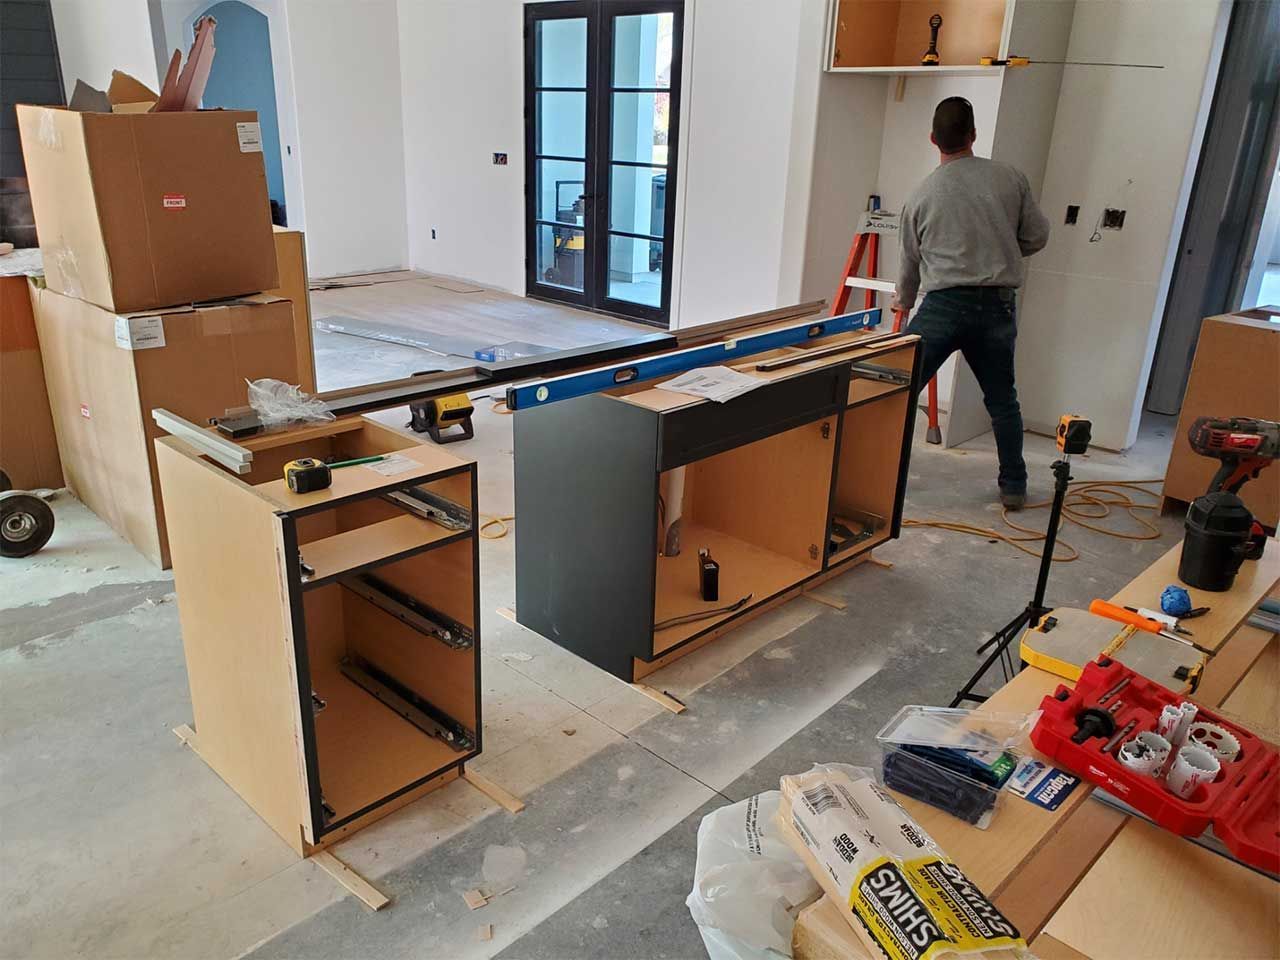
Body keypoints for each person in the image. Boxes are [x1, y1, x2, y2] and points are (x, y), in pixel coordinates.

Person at [892, 96, 1050, 510]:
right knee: (1002, 400)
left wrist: (903, 303)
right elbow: (1036, 236)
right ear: (974, 135)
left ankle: (884, 480)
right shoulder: (1010, 178)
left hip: (943, 306)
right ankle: (1014, 486)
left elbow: (910, 258)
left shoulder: (921, 195)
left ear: (932, 139)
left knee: (897, 391)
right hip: (998, 305)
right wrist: (998, 251)